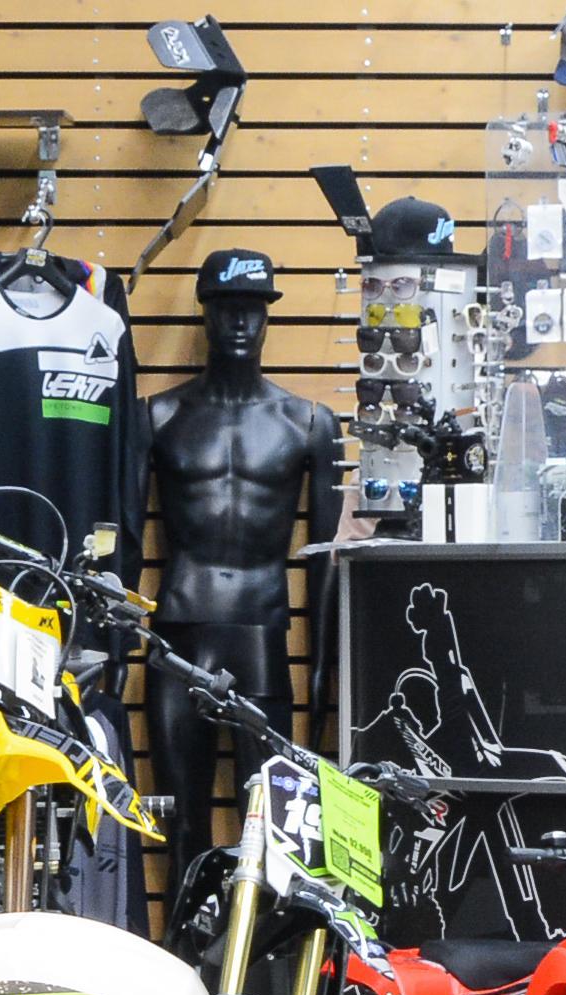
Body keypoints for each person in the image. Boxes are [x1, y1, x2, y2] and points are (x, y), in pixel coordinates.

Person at [144, 248, 341, 937]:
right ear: (204, 315)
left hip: (261, 637)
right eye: (226, 309)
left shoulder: (307, 423)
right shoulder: (158, 417)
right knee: (183, 829)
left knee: (273, 830)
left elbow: (325, 559)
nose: (239, 324)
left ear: (267, 319)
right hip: (177, 639)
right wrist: (108, 650)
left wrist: (325, 669)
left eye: (253, 311)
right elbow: (124, 545)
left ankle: (262, 975)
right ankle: (180, 965)